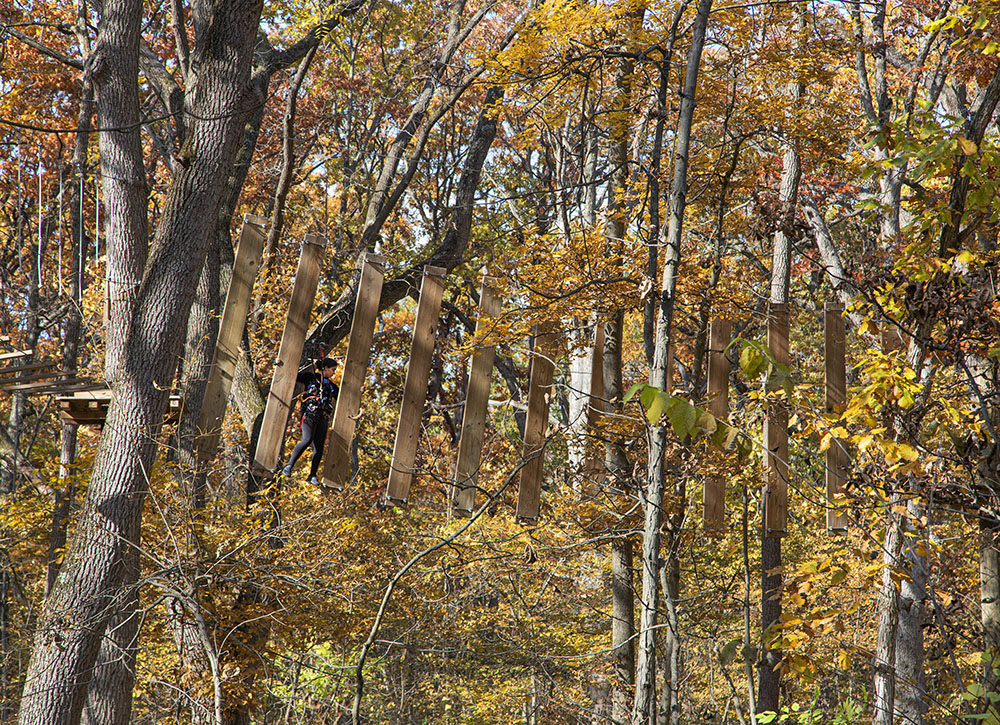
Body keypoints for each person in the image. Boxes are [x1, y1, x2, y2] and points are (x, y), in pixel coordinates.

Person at [281, 357, 339, 485]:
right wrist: (281, 364)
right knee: (307, 440)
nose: (334, 373)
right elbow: (292, 374)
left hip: (323, 418)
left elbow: (343, 396)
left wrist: (359, 392)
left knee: (318, 448)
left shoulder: (331, 386)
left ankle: (312, 475)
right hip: (309, 415)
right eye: (333, 370)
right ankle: (289, 466)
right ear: (325, 368)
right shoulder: (310, 378)